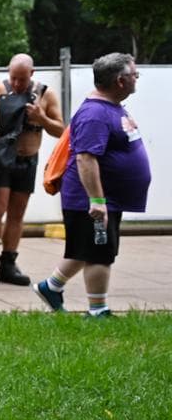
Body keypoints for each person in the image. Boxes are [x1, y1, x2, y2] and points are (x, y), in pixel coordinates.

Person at [35, 53, 150, 317]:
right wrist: (97, 201)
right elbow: (86, 159)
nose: (137, 79)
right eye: (135, 75)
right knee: (99, 254)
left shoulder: (110, 106)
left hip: (105, 198)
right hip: (94, 200)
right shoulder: (96, 113)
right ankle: (98, 311)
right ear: (120, 81)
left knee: (88, 247)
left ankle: (50, 287)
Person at [0, 54, 65, 286]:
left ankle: (8, 264)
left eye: (22, 79)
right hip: (0, 157)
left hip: (27, 159)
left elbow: (61, 130)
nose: (18, 84)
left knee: (17, 213)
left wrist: (41, 118)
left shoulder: (45, 94)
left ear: (32, 74)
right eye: (14, 78)